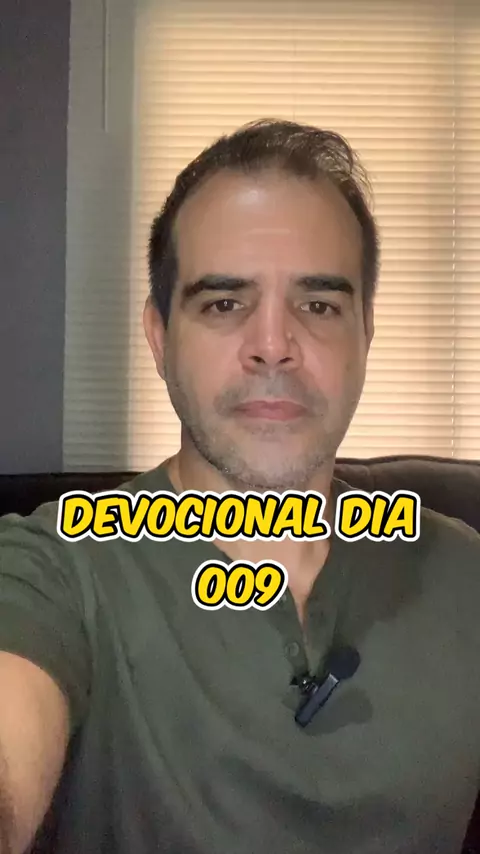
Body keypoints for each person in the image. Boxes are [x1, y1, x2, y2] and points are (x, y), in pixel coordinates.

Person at [0, 119, 479, 854]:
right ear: (159, 337)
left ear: (365, 335)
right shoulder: (59, 569)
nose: (274, 346)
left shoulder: (463, 575)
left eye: (319, 305)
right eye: (224, 303)